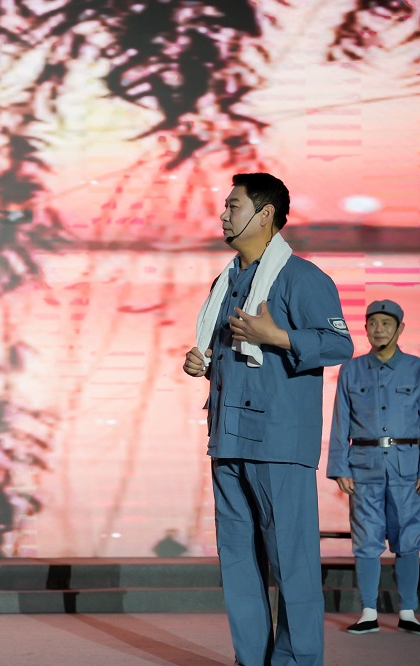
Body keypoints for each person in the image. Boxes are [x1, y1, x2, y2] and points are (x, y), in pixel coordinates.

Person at [183, 172, 353, 665]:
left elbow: (339, 344)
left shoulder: (302, 277)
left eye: (233, 206)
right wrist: (202, 361)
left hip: (278, 442)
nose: (223, 215)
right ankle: (252, 659)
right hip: (228, 439)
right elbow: (226, 352)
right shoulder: (225, 281)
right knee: (238, 564)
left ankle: (296, 660)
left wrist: (277, 336)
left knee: (291, 564)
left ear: (265, 215)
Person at [326, 299, 420, 635]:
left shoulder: (416, 368)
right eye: (372, 323)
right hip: (363, 466)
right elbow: (340, 420)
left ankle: (408, 611)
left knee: (409, 538)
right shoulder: (351, 370)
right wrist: (340, 466)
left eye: (386, 323)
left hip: (407, 466)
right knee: (366, 538)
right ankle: (368, 612)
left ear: (400, 328)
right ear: (365, 328)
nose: (378, 330)